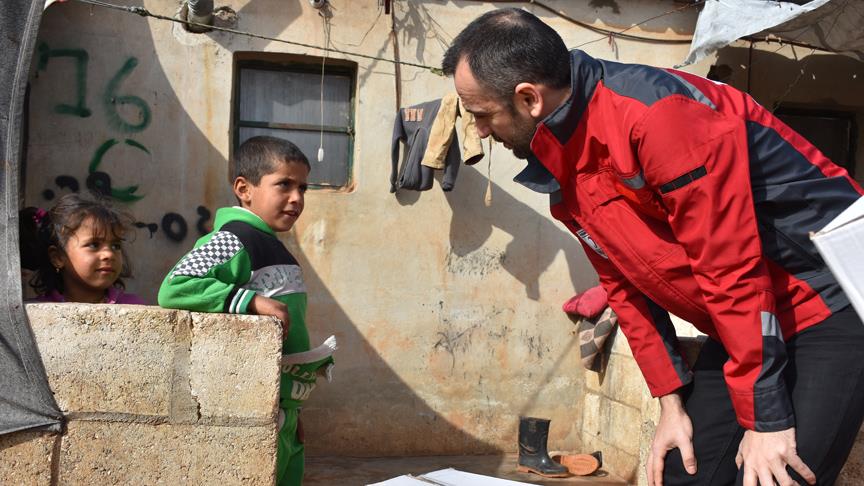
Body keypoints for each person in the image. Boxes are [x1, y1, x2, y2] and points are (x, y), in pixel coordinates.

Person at [443, 8, 864, 486]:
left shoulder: (658, 118)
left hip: (826, 302)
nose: (478, 131)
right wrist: (670, 404)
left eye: (481, 114)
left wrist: (764, 418)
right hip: (744, 325)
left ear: (528, 98)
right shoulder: (559, 156)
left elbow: (730, 268)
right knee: (685, 475)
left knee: (779, 476)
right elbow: (623, 286)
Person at [158, 135, 329, 485]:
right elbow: (175, 286)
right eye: (284, 184)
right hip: (255, 411)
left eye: (303, 188)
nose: (297, 198)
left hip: (286, 410)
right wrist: (249, 301)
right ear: (243, 188)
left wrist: (295, 411)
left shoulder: (275, 247)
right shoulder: (234, 238)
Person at [20, 193, 145, 305]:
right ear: (57, 257)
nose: (109, 254)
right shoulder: (38, 312)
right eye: (94, 245)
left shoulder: (133, 306)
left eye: (115, 246)